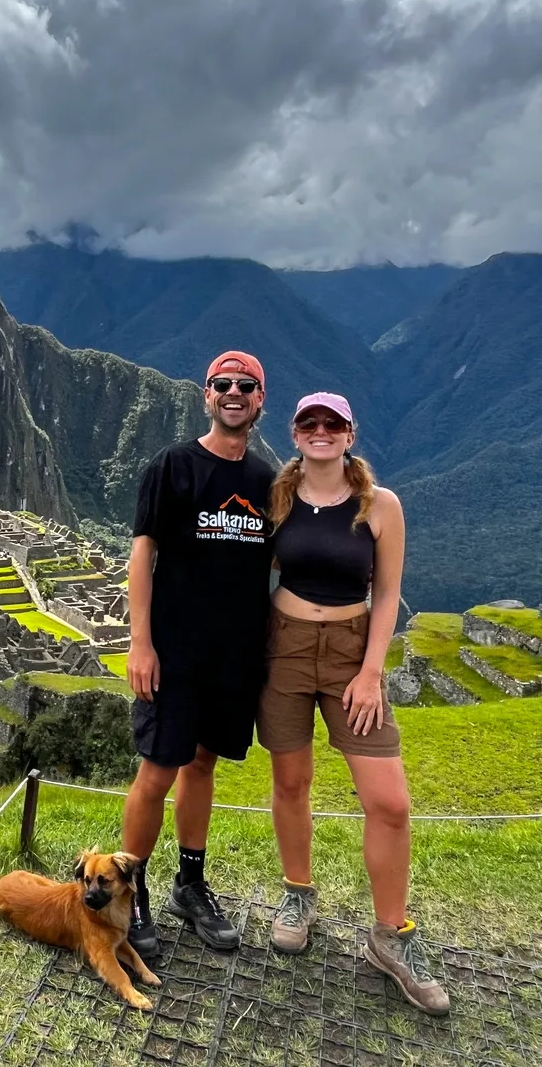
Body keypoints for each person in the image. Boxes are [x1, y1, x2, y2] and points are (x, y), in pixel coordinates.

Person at [258, 392, 449, 1016]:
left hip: (350, 652)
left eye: (332, 424)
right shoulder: (277, 497)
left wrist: (371, 672)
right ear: (295, 432)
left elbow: (389, 593)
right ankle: (298, 893)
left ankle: (391, 935)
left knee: (389, 801)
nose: (320, 432)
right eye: (309, 423)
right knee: (292, 781)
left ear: (349, 434)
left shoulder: (380, 505)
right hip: (283, 647)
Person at [122, 351, 276, 959]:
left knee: (203, 764)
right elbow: (142, 555)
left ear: (260, 399)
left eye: (246, 385)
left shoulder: (267, 482)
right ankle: (131, 896)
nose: (233, 392)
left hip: (233, 656)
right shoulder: (173, 467)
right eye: (222, 385)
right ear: (206, 397)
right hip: (175, 651)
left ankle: (190, 882)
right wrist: (141, 642)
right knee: (158, 770)